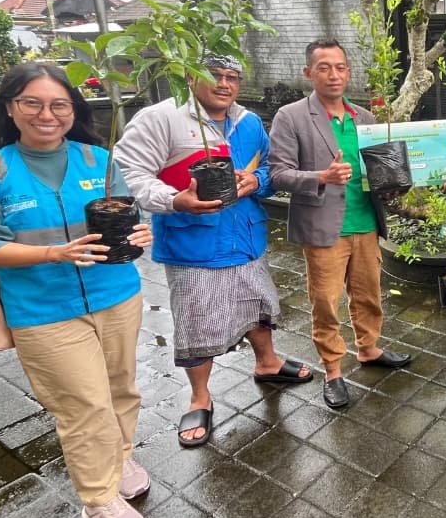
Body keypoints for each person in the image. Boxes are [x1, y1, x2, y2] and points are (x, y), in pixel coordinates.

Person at [0, 64, 153, 518]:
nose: (47, 114)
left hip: (116, 296)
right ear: (10, 108)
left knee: (121, 390)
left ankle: (119, 458)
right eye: (33, 103)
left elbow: (127, 218)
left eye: (59, 104)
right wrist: (53, 253)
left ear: (73, 110)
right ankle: (99, 498)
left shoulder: (97, 159)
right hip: (44, 311)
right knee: (83, 405)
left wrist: (141, 234)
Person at [115, 55, 312, 448]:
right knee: (197, 320)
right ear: (191, 77)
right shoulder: (162, 118)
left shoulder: (248, 122)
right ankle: (199, 397)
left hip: (246, 237)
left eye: (232, 77)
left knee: (259, 304)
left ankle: (268, 363)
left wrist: (256, 181)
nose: (224, 84)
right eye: (215, 75)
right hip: (193, 243)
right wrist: (174, 200)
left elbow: (271, 168)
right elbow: (128, 173)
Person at [268, 38, 411, 410]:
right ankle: (333, 369)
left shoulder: (364, 118)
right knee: (326, 303)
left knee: (368, 295)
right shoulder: (291, 116)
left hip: (366, 222)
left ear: (348, 72)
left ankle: (369, 348)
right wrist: (322, 176)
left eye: (340, 67)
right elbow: (278, 174)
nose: (334, 75)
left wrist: (396, 182)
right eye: (324, 68)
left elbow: (377, 170)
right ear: (308, 73)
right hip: (323, 228)